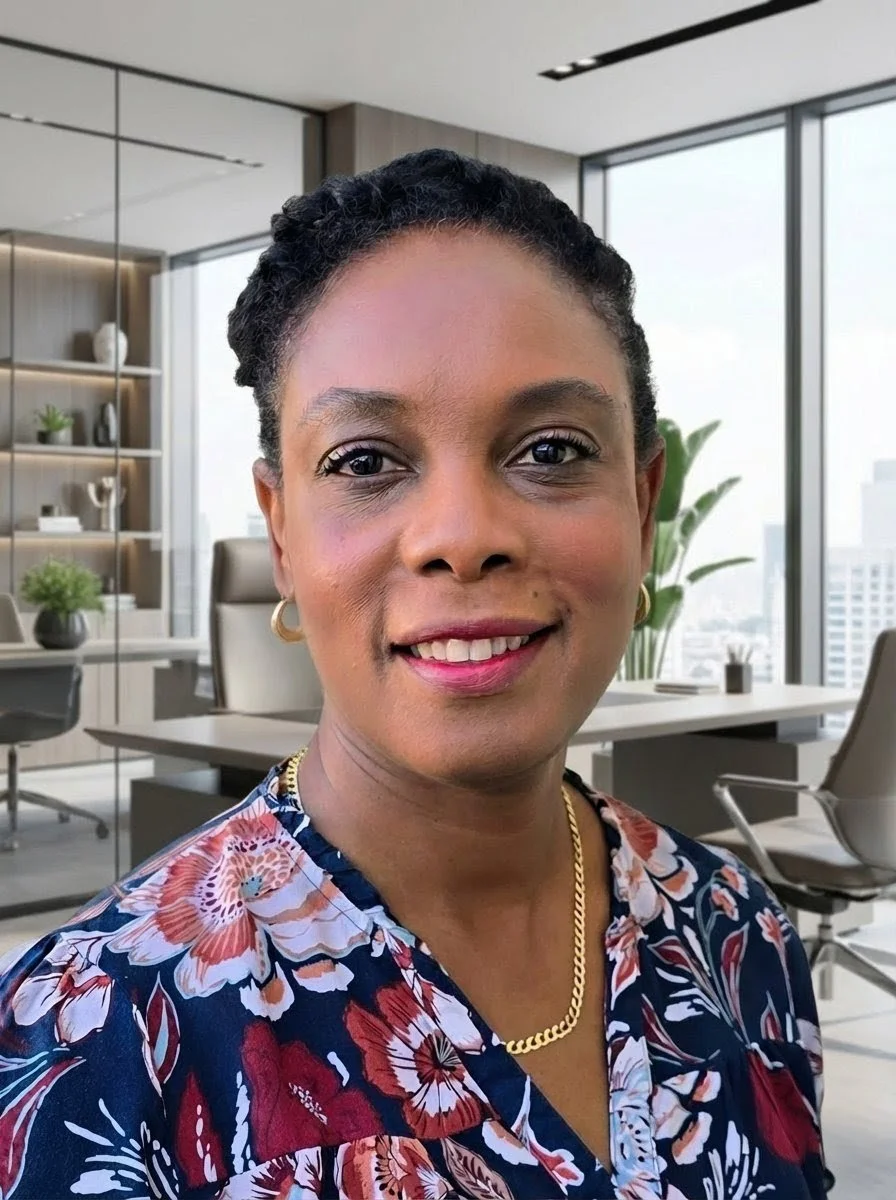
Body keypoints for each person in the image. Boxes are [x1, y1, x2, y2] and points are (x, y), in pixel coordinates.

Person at [0, 149, 828, 1200]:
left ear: (640, 501)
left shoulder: (734, 931)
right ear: (283, 537)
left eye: (553, 450)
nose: (461, 536)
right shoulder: (88, 1039)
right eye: (364, 461)